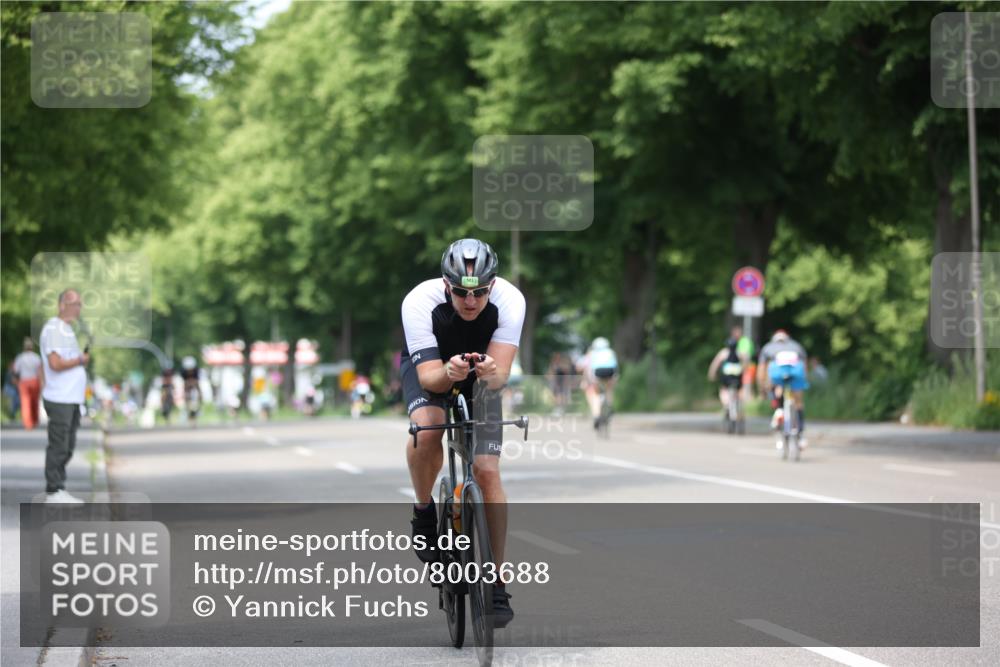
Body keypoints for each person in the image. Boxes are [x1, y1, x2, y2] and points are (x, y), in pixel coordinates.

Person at [401, 238, 525, 627]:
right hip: (433, 368)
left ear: (493, 285)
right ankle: (424, 512)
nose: (470, 302)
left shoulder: (511, 300)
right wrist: (450, 372)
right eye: (460, 293)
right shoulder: (419, 302)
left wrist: (490, 372)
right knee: (426, 429)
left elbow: (501, 376)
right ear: (445, 284)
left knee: (487, 470)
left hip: (482, 379)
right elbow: (430, 379)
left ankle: (496, 582)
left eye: (479, 293)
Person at [39, 289, 88, 504]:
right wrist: (80, 361)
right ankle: (54, 490)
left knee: (67, 445)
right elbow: (55, 363)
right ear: (61, 305)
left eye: (79, 304)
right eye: (74, 303)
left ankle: (59, 488)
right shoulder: (54, 329)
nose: (78, 308)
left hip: (70, 398)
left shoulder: (65, 330)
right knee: (59, 444)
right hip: (60, 398)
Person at [757, 329, 810, 449]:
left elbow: (761, 370)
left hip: (778, 377)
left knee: (775, 387)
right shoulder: (797, 346)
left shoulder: (768, 347)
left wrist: (762, 388)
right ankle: (801, 434)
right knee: (799, 403)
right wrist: (804, 382)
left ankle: (779, 410)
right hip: (796, 375)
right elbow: (804, 367)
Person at [576, 337, 618, 429]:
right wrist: (614, 379)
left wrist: (588, 381)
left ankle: (597, 415)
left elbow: (587, 368)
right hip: (610, 371)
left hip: (597, 372)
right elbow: (615, 366)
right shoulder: (610, 352)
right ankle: (609, 405)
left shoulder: (592, 353)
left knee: (595, 393)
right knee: (609, 389)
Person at [707, 336, 745, 416]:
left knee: (723, 389)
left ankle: (727, 404)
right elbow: (746, 364)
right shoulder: (740, 353)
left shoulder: (723, 353)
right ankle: (740, 406)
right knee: (739, 389)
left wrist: (712, 374)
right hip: (737, 377)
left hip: (726, 378)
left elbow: (715, 364)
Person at [14, 338, 44, 429]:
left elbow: (16, 371)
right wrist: (42, 382)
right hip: (34, 381)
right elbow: (40, 371)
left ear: (24, 347)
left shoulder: (20, 358)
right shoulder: (36, 357)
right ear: (32, 347)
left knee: (25, 402)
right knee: (35, 402)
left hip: (24, 381)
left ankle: (28, 424)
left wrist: (16, 381)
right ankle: (35, 420)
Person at [546, 351, 573, 415]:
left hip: (561, 383)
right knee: (555, 395)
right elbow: (550, 373)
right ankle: (558, 408)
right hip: (555, 383)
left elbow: (566, 372)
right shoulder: (553, 364)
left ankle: (561, 409)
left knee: (561, 395)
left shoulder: (563, 364)